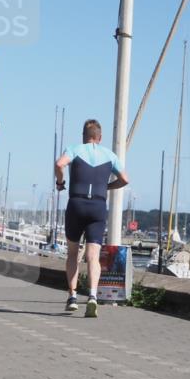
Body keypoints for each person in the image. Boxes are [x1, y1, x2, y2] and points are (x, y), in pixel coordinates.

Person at [54, 119, 129, 318]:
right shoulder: (110, 155)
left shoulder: (74, 149)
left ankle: (72, 297)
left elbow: (59, 164)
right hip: (98, 206)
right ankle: (93, 296)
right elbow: (125, 179)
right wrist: (107, 187)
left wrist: (60, 182)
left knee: (72, 254)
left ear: (84, 136)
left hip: (76, 204)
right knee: (93, 257)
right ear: (100, 137)